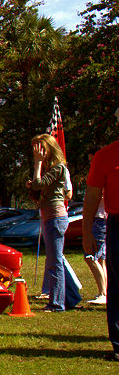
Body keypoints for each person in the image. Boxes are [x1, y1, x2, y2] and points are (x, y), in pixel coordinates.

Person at [83, 107, 119, 361]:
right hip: (116, 224)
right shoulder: (105, 156)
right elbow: (92, 196)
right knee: (116, 286)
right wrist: (87, 232)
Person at [29, 134, 69, 312]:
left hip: (56, 217)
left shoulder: (58, 168)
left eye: (40, 150)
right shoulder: (49, 170)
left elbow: (39, 184)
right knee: (53, 261)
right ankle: (67, 297)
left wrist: (37, 165)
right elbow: (38, 190)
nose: (37, 153)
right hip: (48, 217)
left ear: (49, 149)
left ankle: (57, 303)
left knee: (55, 262)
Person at [85, 147, 108, 305]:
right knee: (101, 259)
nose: (91, 163)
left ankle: (103, 293)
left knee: (91, 256)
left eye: (92, 160)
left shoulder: (103, 174)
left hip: (100, 219)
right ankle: (104, 292)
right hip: (102, 219)